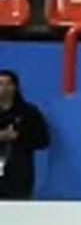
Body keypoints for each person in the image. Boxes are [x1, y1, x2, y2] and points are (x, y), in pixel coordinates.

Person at [0, 68, 49, 200]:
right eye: (0, 84)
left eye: (8, 84)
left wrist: (18, 137)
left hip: (18, 176)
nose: (4, 88)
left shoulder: (29, 113)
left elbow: (43, 141)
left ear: (15, 87)